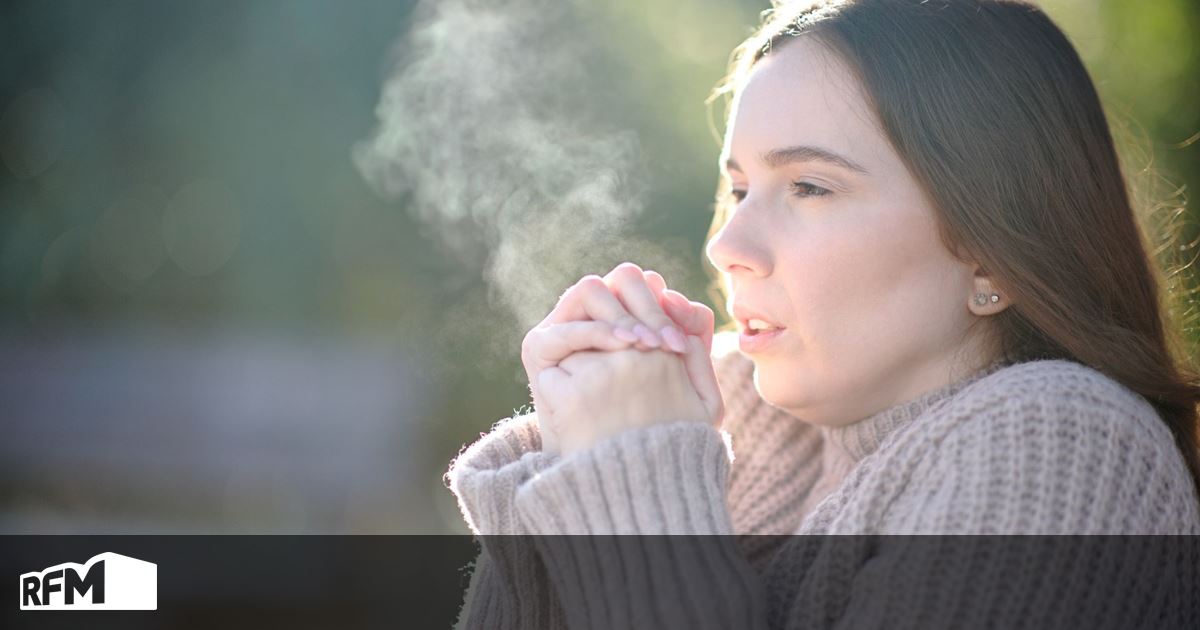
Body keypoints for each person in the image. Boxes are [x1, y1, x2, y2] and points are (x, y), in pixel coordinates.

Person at [443, 1, 1200, 628]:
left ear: (992, 252)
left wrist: (637, 477)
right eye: (739, 191)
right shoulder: (732, 421)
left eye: (810, 186)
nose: (728, 246)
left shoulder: (1064, 447)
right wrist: (571, 463)